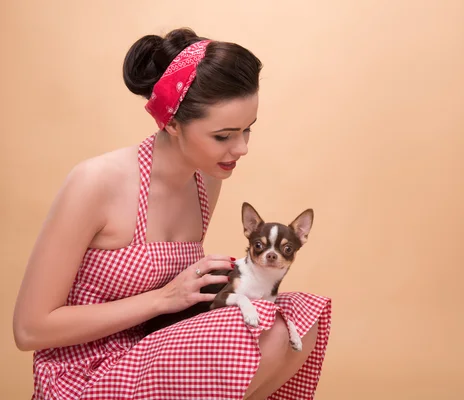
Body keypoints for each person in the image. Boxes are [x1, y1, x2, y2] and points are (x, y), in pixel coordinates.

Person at [12, 27, 332, 400]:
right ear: (172, 122)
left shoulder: (206, 183)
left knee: (296, 319)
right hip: (86, 371)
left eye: (248, 130)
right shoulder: (96, 182)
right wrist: (163, 299)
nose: (242, 148)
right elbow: (30, 330)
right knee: (269, 332)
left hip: (153, 344)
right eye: (223, 135)